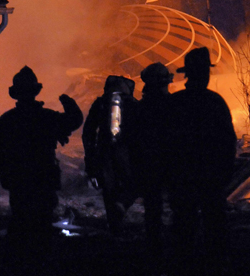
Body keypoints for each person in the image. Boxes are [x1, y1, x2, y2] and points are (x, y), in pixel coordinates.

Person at [0, 66, 83, 272]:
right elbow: (74, 120)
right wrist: (68, 102)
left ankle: (16, 265)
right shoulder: (46, 117)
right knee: (42, 227)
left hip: (19, 184)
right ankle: (41, 265)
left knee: (19, 223)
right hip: (43, 182)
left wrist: (5, 177)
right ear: (36, 92)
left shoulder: (7, 121)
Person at [168, 46, 236, 276]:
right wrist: (224, 175)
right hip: (210, 180)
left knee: (183, 227)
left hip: (183, 179)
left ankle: (183, 265)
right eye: (206, 71)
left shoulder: (175, 103)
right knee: (215, 226)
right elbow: (228, 143)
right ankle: (215, 266)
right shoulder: (214, 102)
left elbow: (164, 144)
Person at [82, 74, 140, 232]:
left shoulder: (100, 103)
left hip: (104, 152)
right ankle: (120, 210)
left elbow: (88, 132)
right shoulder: (133, 104)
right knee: (133, 184)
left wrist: (90, 156)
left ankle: (114, 224)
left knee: (109, 189)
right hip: (125, 152)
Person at [135, 62, 174, 275]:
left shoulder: (140, 108)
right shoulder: (174, 106)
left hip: (149, 166)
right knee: (181, 210)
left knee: (153, 211)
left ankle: (154, 252)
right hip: (170, 165)